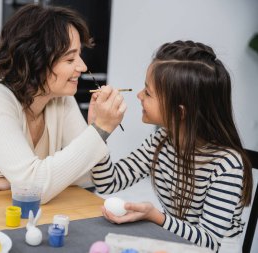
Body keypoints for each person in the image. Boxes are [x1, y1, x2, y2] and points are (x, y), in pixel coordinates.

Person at [0, 4, 127, 203]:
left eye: (79, 55)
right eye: (70, 59)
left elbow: (89, 176)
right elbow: (34, 188)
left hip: (6, 216)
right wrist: (99, 130)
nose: (82, 66)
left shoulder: (61, 99)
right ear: (36, 61)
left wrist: (95, 128)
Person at [90, 40, 253, 252]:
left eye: (148, 93)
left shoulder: (226, 165)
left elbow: (209, 242)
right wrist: (98, 130)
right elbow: (107, 183)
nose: (139, 96)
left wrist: (155, 216)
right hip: (175, 244)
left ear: (180, 112)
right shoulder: (162, 141)